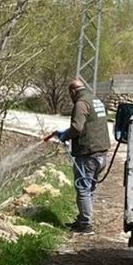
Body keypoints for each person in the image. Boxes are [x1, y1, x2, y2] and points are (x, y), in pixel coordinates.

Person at [54, 79, 111, 234]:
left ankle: (85, 225)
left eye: (70, 94)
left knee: (83, 189)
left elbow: (77, 127)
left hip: (88, 154)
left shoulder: (81, 103)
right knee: (90, 188)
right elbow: (88, 125)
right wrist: (63, 133)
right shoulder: (95, 100)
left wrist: (65, 136)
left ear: (73, 92)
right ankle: (83, 220)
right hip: (101, 154)